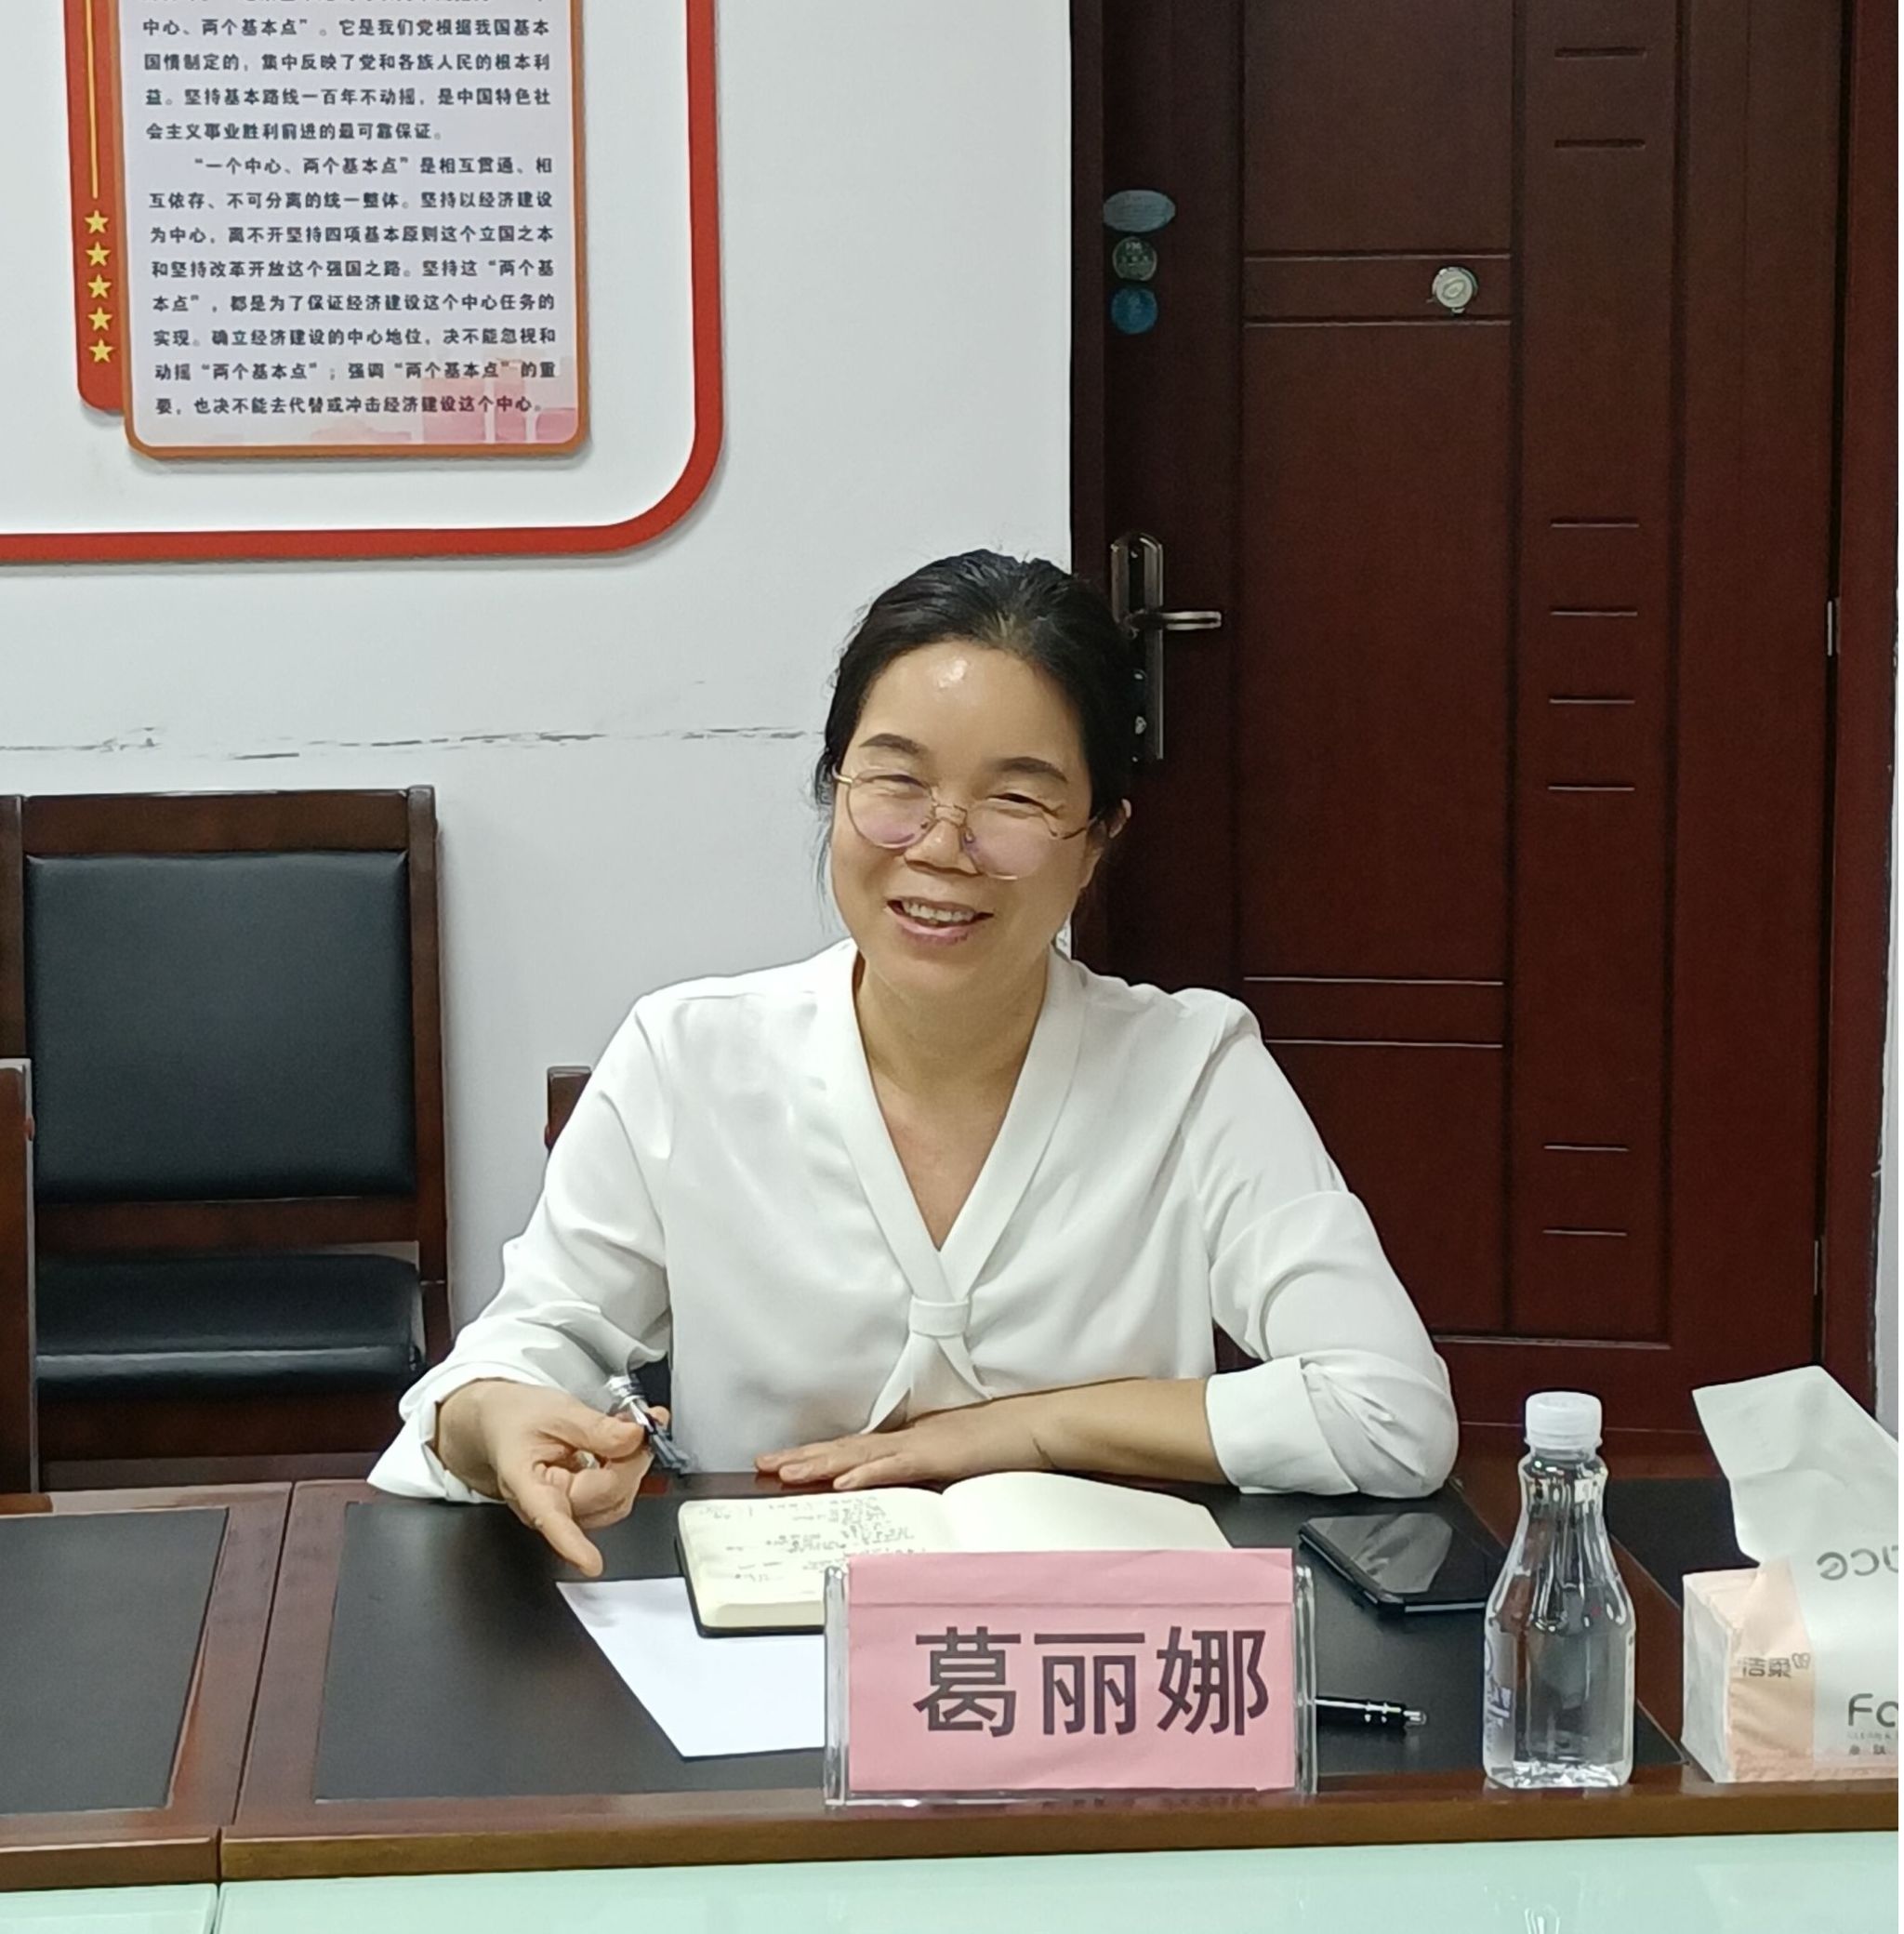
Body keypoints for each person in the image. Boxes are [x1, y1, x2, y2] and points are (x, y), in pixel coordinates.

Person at [370, 551, 1459, 1572]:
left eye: (1016, 799)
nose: (941, 844)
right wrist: (495, 1423)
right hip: (769, 1649)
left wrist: (1024, 1429)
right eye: (895, 782)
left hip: (1082, 1661)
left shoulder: (1190, 1070)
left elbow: (1389, 1411)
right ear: (832, 786)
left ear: (1098, 839)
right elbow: (514, 1358)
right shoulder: (687, 1057)